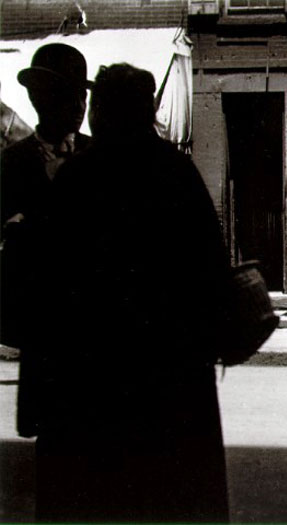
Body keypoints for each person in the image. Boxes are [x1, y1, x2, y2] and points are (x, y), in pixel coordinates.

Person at [27, 64, 230, 522]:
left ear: (100, 111)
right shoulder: (179, 173)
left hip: (88, 382)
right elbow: (214, 277)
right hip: (170, 383)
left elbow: (46, 284)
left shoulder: (78, 178)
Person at [0, 43, 92, 438]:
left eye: (82, 95)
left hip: (95, 332)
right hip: (46, 331)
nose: (79, 104)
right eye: (68, 94)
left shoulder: (98, 155)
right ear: (39, 98)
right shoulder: (13, 163)